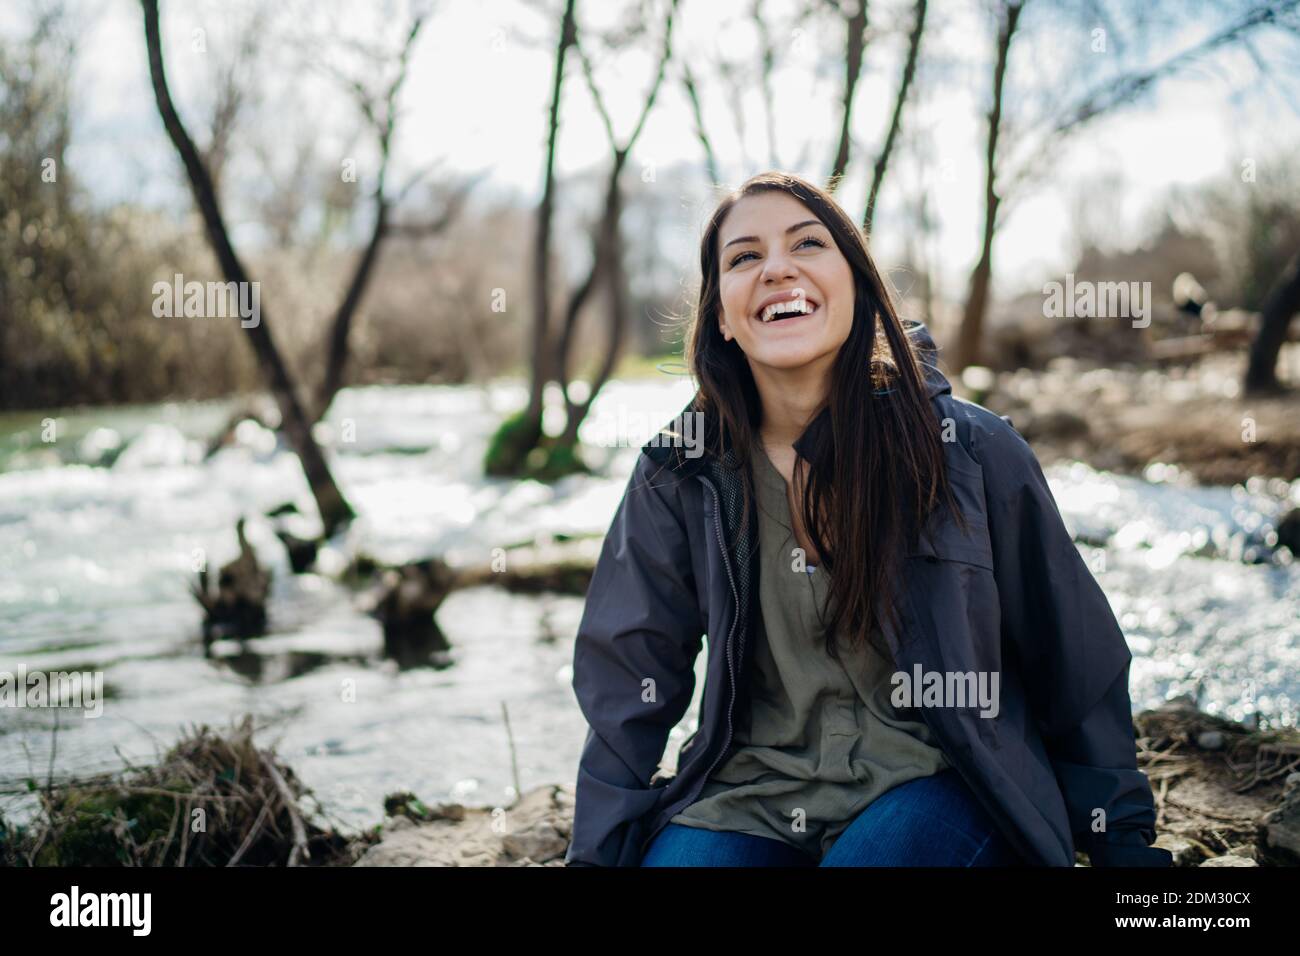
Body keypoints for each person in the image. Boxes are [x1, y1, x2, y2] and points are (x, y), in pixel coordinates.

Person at [564, 170, 1172, 868]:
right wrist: (597, 858)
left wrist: (1122, 845)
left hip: (942, 782)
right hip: (751, 796)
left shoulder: (969, 450)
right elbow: (626, 682)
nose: (777, 269)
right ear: (723, 317)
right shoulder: (680, 472)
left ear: (856, 285)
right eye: (744, 257)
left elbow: (1073, 655)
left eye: (807, 244)